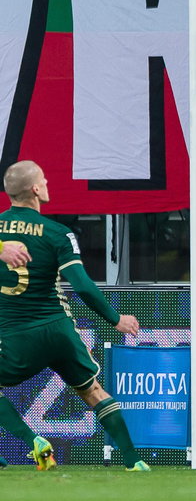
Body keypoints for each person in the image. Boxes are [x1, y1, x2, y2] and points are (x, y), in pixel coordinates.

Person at [0, 160, 148, 471]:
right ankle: (134, 462)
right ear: (36, 189)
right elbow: (81, 284)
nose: (48, 182)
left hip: (15, 335)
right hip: (59, 329)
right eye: (44, 178)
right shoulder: (58, 233)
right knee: (93, 391)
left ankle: (33, 441)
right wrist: (116, 318)